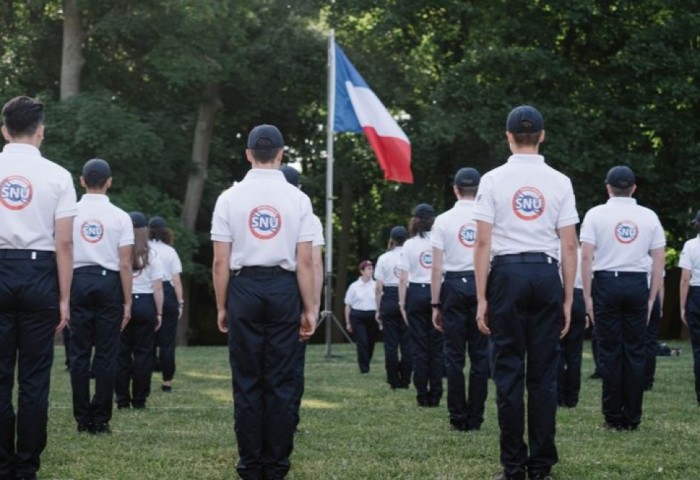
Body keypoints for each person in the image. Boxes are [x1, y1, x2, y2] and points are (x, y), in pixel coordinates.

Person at [473, 105, 578, 480]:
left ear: (508, 136)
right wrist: (568, 298)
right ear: (543, 136)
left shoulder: (492, 179)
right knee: (544, 376)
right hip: (546, 274)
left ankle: (513, 466)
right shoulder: (560, 181)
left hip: (507, 275)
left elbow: (483, 242)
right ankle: (542, 467)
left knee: (509, 372)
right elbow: (569, 246)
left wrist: (482, 296)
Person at [211, 124, 316, 480]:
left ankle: (250, 464)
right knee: (281, 380)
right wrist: (310, 307)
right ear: (282, 154)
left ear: (249, 154)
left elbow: (220, 262)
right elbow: (305, 262)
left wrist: (223, 305)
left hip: (245, 288)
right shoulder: (298, 199)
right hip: (284, 289)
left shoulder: (229, 198)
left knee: (247, 380)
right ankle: (276, 464)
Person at [0, 96, 77, 480]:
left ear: (4, 130)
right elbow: (64, 244)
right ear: (41, 131)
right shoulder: (59, 176)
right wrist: (64, 298)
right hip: (39, 273)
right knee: (33, 378)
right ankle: (26, 465)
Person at [580, 165, 665, 431]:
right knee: (635, 350)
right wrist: (651, 298)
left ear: (608, 187)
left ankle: (612, 417)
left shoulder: (596, 214)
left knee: (609, 351)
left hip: (606, 283)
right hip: (637, 283)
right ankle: (632, 418)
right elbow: (659, 261)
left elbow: (585, 256)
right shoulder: (649, 216)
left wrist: (587, 296)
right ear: (634, 188)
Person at [70, 158, 133, 434]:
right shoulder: (120, 216)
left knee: (79, 354)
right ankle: (101, 419)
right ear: (109, 181)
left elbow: (61, 250)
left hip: (77, 280)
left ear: (82, 180)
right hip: (109, 284)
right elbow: (126, 263)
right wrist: (128, 300)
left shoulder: (69, 213)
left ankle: (83, 418)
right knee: (107, 354)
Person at [430, 167, 489, 431]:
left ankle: (457, 417)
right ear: (480, 191)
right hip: (480, 283)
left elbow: (435, 267)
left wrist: (435, 304)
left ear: (455, 189)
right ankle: (475, 418)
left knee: (453, 356)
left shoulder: (442, 220)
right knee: (480, 356)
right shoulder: (488, 217)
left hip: (453, 285)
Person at [279, 164, 324, 431]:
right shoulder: (306, 214)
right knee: (293, 361)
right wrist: (313, 305)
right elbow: (314, 263)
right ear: (299, 188)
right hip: (294, 292)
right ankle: (289, 420)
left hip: (254, 289)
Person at [115, 212, 164, 410]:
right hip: (145, 304)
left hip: (123, 303)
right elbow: (158, 287)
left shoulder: (118, 252)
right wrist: (159, 313)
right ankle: (139, 400)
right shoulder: (152, 254)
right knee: (144, 354)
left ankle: (122, 399)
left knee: (121, 354)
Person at [399, 203, 443, 407]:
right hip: (437, 291)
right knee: (436, 346)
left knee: (419, 347)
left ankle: (421, 394)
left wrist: (402, 303)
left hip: (415, 293)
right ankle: (436, 393)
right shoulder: (439, 240)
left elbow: (403, 278)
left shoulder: (409, 245)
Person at [148, 216, 184, 392]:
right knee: (167, 342)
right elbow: (176, 281)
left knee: (145, 341)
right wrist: (180, 303)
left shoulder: (143, 249)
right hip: (168, 294)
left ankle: (143, 377)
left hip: (148, 292)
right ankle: (167, 382)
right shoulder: (170, 251)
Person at [375, 226, 412, 389]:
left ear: (392, 239)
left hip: (389, 296)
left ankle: (393, 380)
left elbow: (378, 287)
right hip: (407, 295)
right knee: (407, 343)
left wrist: (377, 309)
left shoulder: (384, 258)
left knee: (390, 344)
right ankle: (405, 379)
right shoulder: (410, 255)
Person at [558, 246, 586, 408]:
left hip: (560, 293)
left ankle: (559, 395)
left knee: (557, 351)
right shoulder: (583, 252)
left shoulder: (554, 248)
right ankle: (572, 397)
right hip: (579, 296)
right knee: (575, 355)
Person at [680, 210, 700, 405]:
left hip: (697, 295)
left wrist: (682, 306)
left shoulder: (691, 246)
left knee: (698, 349)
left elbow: (685, 279)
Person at [344, 260, 379, 373]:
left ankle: (367, 360)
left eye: (372, 269)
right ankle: (364, 368)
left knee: (370, 342)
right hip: (358, 316)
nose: (371, 271)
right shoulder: (354, 286)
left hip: (372, 315)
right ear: (361, 271)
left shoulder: (376, 285)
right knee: (362, 342)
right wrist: (348, 322)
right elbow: (348, 305)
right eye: (368, 269)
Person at [643, 257, 664, 392]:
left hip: (638, 293)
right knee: (650, 341)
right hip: (653, 295)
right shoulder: (654, 259)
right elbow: (661, 284)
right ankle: (648, 380)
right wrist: (660, 306)